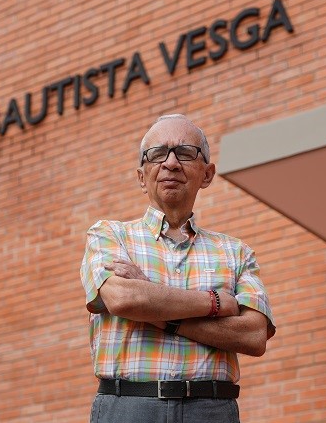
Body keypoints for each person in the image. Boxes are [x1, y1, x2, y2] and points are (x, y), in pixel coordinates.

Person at [80, 114, 275, 423]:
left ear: (207, 174)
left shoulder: (236, 252)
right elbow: (123, 300)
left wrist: (156, 307)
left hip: (210, 410)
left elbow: (253, 335)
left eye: (185, 152)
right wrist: (215, 303)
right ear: (142, 176)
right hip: (126, 407)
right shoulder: (108, 234)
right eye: (157, 154)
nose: (170, 163)